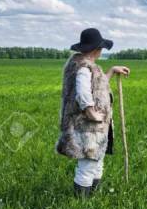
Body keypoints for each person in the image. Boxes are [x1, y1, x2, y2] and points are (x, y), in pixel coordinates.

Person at [56, 28, 130, 197]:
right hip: (87, 127)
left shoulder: (86, 65)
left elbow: (97, 85)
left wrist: (111, 71)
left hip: (95, 127)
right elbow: (82, 93)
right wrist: (90, 112)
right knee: (88, 164)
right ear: (97, 50)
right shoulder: (83, 68)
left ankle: (93, 196)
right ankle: (81, 203)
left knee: (96, 160)